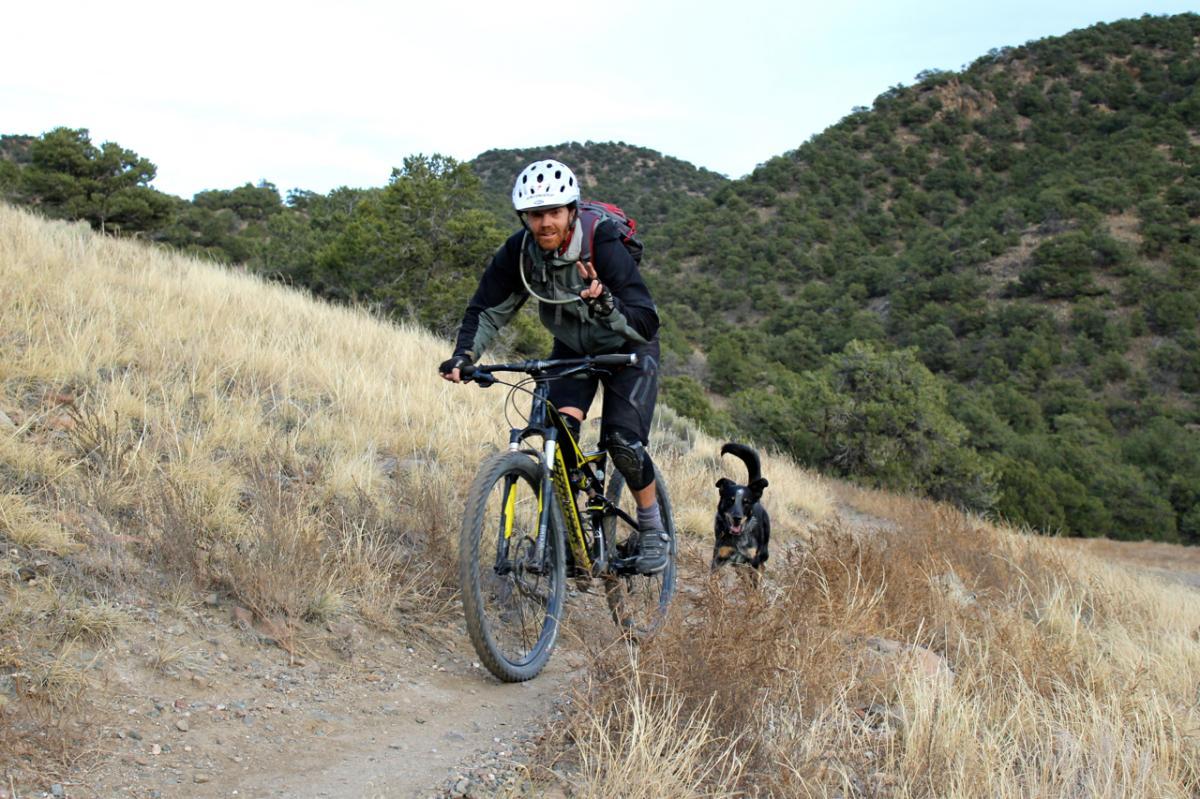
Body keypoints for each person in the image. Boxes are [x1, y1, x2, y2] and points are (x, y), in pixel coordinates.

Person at [439, 159, 669, 574]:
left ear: (570, 211)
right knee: (558, 434)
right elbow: (487, 309)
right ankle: (571, 536)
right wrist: (464, 356)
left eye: (553, 213)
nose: (545, 223)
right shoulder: (520, 252)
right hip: (573, 349)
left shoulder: (602, 242)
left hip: (629, 348)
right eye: (535, 214)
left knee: (623, 443)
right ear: (524, 217)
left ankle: (652, 529)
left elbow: (646, 318)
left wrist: (606, 305)